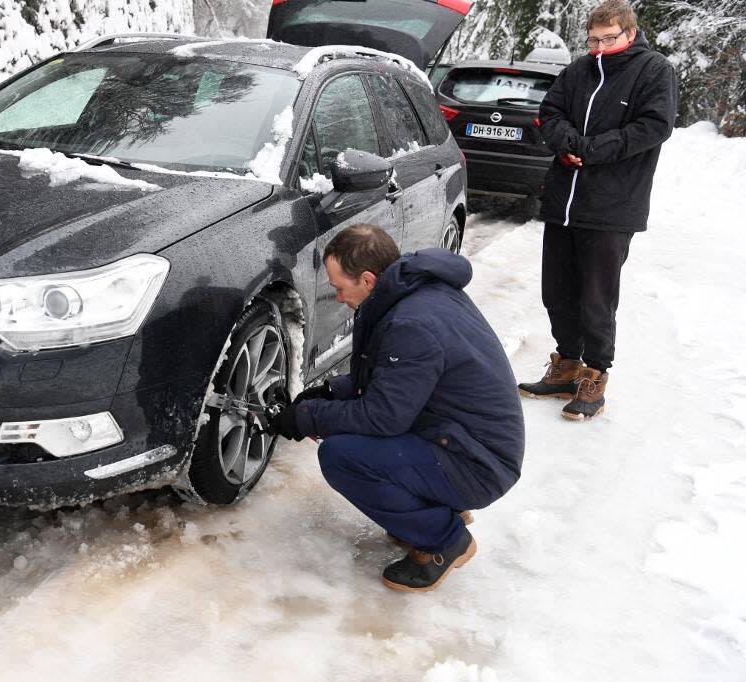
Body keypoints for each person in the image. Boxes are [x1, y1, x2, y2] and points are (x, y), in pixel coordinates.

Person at [268, 224, 525, 592]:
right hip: (463, 439)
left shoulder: (411, 324)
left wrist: (308, 417)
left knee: (342, 455)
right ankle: (431, 509)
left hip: (478, 463)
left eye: (340, 287)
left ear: (369, 279)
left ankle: (445, 540)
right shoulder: (414, 295)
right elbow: (389, 380)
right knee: (354, 438)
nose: (338, 297)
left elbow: (382, 416)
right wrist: (328, 392)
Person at [520, 0, 678, 420]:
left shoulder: (654, 70)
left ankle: (595, 376)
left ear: (630, 32)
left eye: (609, 39)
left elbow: (655, 126)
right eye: (593, 39)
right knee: (556, 290)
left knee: (596, 297)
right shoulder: (578, 70)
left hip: (612, 205)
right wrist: (567, 144)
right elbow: (549, 112)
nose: (600, 47)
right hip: (563, 201)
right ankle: (566, 365)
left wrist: (592, 151)